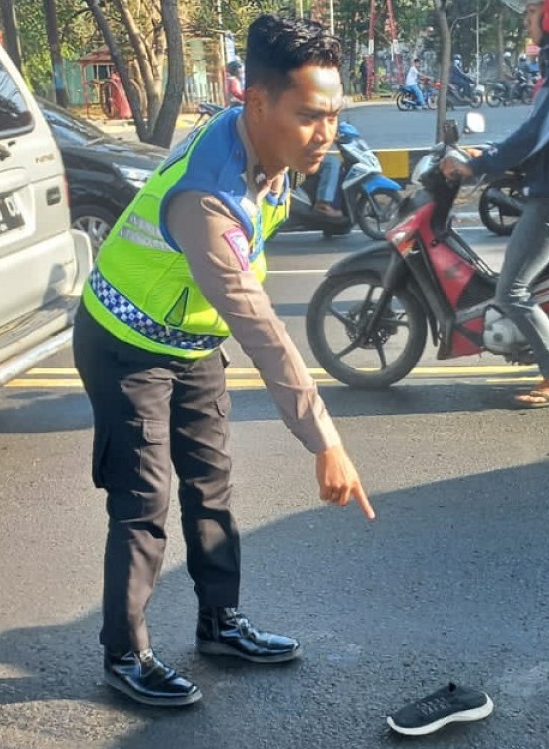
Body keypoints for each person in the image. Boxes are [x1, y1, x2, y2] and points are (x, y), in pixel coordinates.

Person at [73, 13, 374, 709]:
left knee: (211, 484)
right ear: (256, 103)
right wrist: (325, 442)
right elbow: (261, 329)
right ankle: (125, 654)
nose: (325, 133)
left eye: (334, 114)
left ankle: (219, 624)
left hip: (191, 340)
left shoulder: (274, 148)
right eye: (309, 116)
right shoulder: (206, 200)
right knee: (143, 502)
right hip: (125, 344)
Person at [440, 0, 549, 409]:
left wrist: (480, 165)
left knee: (511, 290)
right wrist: (491, 153)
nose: (527, 22)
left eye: (532, 13)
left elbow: (537, 133)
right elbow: (542, 132)